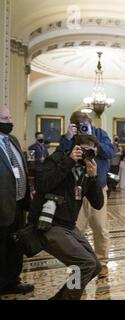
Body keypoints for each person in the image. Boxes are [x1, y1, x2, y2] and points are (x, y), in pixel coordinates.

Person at [29, 134, 104, 299]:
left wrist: (93, 178)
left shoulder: (86, 170)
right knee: (85, 264)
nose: (89, 156)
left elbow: (98, 204)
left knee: (95, 266)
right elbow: (43, 184)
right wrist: (69, 161)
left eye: (92, 153)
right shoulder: (57, 159)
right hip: (49, 223)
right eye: (85, 151)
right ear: (76, 148)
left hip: (69, 225)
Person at [58, 111, 113, 278]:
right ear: (73, 124)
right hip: (75, 189)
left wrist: (94, 144)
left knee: (100, 228)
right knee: (75, 229)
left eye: (85, 124)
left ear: (90, 123)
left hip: (96, 185)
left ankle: (102, 263)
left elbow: (111, 152)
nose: (82, 127)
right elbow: (60, 155)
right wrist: (68, 137)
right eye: (78, 125)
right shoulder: (70, 136)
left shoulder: (99, 133)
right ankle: (76, 265)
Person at [0, 107, 34, 295]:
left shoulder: (12, 140)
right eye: (5, 118)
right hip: (2, 206)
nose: (9, 121)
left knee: (15, 246)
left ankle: (13, 281)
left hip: (19, 205)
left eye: (10, 116)